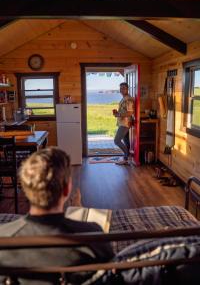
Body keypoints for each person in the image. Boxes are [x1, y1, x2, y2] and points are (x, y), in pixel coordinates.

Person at [0, 147, 113, 284]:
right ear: (66, 189)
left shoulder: (4, 236)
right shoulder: (93, 234)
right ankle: (77, 208)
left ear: (25, 188)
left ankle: (77, 207)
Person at [113, 82, 134, 165]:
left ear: (127, 89)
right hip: (123, 122)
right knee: (126, 141)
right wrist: (117, 113)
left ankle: (127, 155)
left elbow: (130, 113)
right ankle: (125, 159)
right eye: (121, 88)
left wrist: (118, 114)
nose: (121, 90)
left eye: (123, 88)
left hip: (125, 123)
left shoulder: (128, 99)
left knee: (117, 140)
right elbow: (124, 111)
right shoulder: (124, 98)